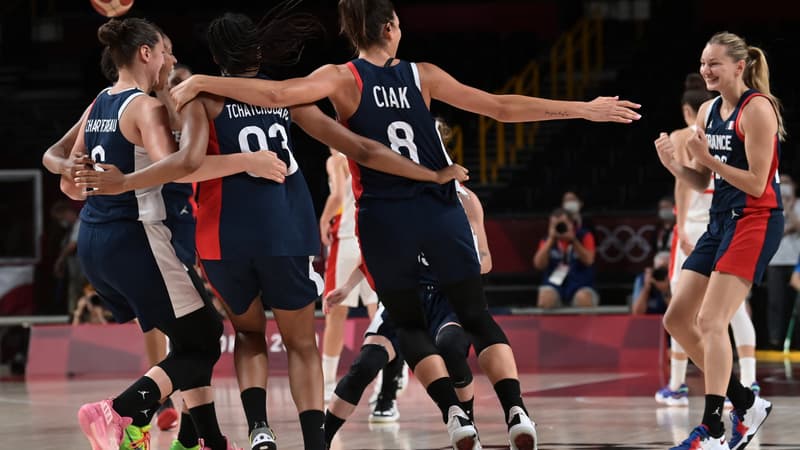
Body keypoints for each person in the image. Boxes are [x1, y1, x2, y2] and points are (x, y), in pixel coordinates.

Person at [169, 2, 640, 448]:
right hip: (429, 209)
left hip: (368, 218)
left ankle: (445, 415)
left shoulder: (335, 78)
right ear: (391, 26)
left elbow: (262, 105)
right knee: (473, 317)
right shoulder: (423, 74)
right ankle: (514, 410)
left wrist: (198, 83)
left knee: (405, 324)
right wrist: (583, 109)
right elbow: (497, 108)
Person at [79, 8, 468, 450]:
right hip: (284, 235)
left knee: (247, 335)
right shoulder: (287, 99)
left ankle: (258, 431)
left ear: (216, 59)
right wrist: (428, 172)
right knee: (302, 344)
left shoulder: (201, 100)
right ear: (258, 52)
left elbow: (182, 164)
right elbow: (361, 148)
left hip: (223, 239)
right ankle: (312, 442)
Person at [55, 17, 236, 450]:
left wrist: (100, 181)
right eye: (166, 50)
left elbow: (68, 183)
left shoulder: (101, 100)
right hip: (138, 238)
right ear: (145, 53)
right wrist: (247, 161)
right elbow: (178, 167)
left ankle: (202, 441)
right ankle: (120, 412)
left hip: (96, 238)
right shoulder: (145, 106)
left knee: (191, 337)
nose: (171, 59)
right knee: (206, 337)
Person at [654, 31, 785, 450]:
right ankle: (745, 401)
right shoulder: (708, 111)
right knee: (677, 319)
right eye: (703, 62)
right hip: (720, 221)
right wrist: (674, 165)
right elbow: (703, 180)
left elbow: (757, 182)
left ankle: (713, 426)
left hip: (756, 219)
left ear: (739, 66)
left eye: (714, 63)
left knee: (712, 321)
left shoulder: (758, 109)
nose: (706, 70)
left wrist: (708, 159)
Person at [323, 183, 489, 447]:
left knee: (452, 349)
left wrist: (458, 260)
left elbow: (485, 261)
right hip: (405, 297)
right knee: (365, 365)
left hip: (446, 298)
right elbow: (373, 256)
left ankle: (467, 424)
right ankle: (320, 439)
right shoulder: (398, 197)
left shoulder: (464, 199)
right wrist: (346, 288)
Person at [656, 73, 759, 410]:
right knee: (734, 311)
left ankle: (676, 385)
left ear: (690, 111)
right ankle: (749, 379)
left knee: (681, 312)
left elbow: (685, 187)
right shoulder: (732, 129)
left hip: (699, 229)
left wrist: (682, 228)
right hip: (729, 222)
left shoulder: (684, 136)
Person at [319, 147, 379, 401]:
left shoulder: (336, 160)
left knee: (335, 314)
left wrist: (322, 222)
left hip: (345, 239)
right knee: (377, 315)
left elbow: (336, 197)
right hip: (369, 237)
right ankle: (386, 385)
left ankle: (327, 383)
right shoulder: (367, 153)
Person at [532, 207, 598, 308]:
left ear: (571, 224)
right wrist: (551, 240)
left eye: (562, 224)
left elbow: (589, 261)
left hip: (580, 283)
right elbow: (538, 265)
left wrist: (573, 241)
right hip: (555, 283)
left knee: (584, 298)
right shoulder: (547, 240)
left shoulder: (584, 236)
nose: (559, 228)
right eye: (554, 225)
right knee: (545, 298)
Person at [766, 174, 800, 349]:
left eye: (788, 182)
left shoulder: (798, 205)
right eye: (782, 183)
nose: (785, 186)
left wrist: (790, 207)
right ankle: (775, 341)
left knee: (797, 303)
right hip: (775, 260)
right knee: (776, 303)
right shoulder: (771, 204)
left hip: (796, 261)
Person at [50, 200, 88, 314]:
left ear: (68, 213)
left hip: (84, 273)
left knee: (85, 297)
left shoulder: (81, 223)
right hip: (75, 272)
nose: (61, 222)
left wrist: (60, 260)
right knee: (75, 298)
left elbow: (73, 245)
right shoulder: (70, 230)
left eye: (61, 218)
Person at [631, 251, 671, 315]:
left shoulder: (675, 279)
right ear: (654, 268)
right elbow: (637, 312)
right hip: (647, 322)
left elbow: (678, 314)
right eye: (660, 269)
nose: (662, 274)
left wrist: (666, 292)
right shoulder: (643, 279)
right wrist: (647, 287)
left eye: (665, 270)